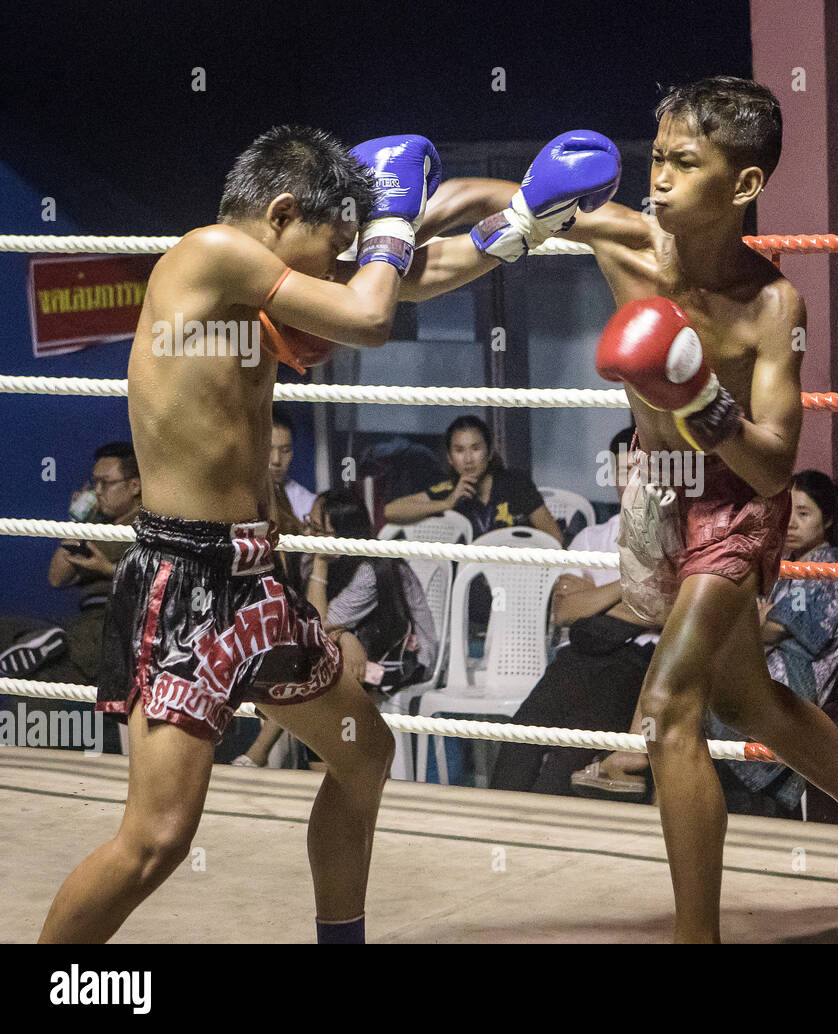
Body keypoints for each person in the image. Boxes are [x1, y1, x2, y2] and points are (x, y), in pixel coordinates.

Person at [39, 124, 616, 944]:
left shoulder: (258, 284)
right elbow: (372, 313)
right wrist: (385, 224)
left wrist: (525, 220)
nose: (339, 260)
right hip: (183, 586)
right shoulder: (208, 255)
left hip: (256, 581)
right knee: (158, 840)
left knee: (364, 754)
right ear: (279, 212)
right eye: (331, 242)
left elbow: (405, 281)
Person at [422, 76, 838, 941]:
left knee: (665, 712)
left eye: (683, 163)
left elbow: (773, 470)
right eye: (655, 155)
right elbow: (483, 206)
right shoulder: (619, 238)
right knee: (750, 702)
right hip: (656, 501)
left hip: (735, 508)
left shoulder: (774, 306)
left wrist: (700, 398)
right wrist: (399, 230)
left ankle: (698, 933)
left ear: (742, 186)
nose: (656, 177)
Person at [489, 427, 662, 794]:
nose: (630, 480)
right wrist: (628, 587)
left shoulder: (674, 538)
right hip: (580, 654)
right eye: (621, 471)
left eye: (639, 469)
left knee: (566, 764)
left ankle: (545, 845)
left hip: (636, 661)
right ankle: (495, 839)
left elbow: (669, 610)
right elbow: (565, 612)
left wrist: (596, 600)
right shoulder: (592, 538)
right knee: (519, 743)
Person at [238, 488, 440, 770]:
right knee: (308, 666)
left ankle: (264, 756)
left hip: (401, 657)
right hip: (353, 649)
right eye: (310, 523)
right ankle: (290, 766)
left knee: (321, 678)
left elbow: (316, 625)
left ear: (344, 535)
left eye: (318, 530)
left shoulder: (368, 570)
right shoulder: (317, 555)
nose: (309, 534)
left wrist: (320, 566)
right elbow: (307, 627)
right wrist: (345, 638)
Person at [704, 471, 838, 818]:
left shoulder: (831, 564)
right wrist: (754, 620)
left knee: (723, 695)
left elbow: (771, 629)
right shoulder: (781, 563)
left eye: (804, 513)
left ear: (829, 518)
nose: (790, 521)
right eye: (786, 510)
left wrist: (757, 620)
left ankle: (748, 809)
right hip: (762, 660)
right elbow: (751, 622)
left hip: (799, 673)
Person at [0, 443, 142, 684]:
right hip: (81, 623)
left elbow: (163, 579)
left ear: (134, 485)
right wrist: (77, 522)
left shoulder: (149, 526)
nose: (97, 490)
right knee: (5, 628)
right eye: (94, 482)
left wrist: (107, 569)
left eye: (105, 482)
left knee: (37, 676)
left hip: (117, 624)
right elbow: (57, 577)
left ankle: (46, 646)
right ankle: (47, 642)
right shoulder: (99, 528)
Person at [384, 414, 563, 543]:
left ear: (490, 452)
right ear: (450, 459)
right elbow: (391, 511)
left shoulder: (515, 483)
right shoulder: (449, 489)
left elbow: (555, 537)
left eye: (475, 448)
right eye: (459, 451)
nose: (468, 459)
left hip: (517, 578)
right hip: (468, 583)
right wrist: (447, 503)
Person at [269, 405, 315, 524]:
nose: (276, 460)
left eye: (285, 450)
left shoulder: (307, 504)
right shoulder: (237, 496)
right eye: (268, 449)